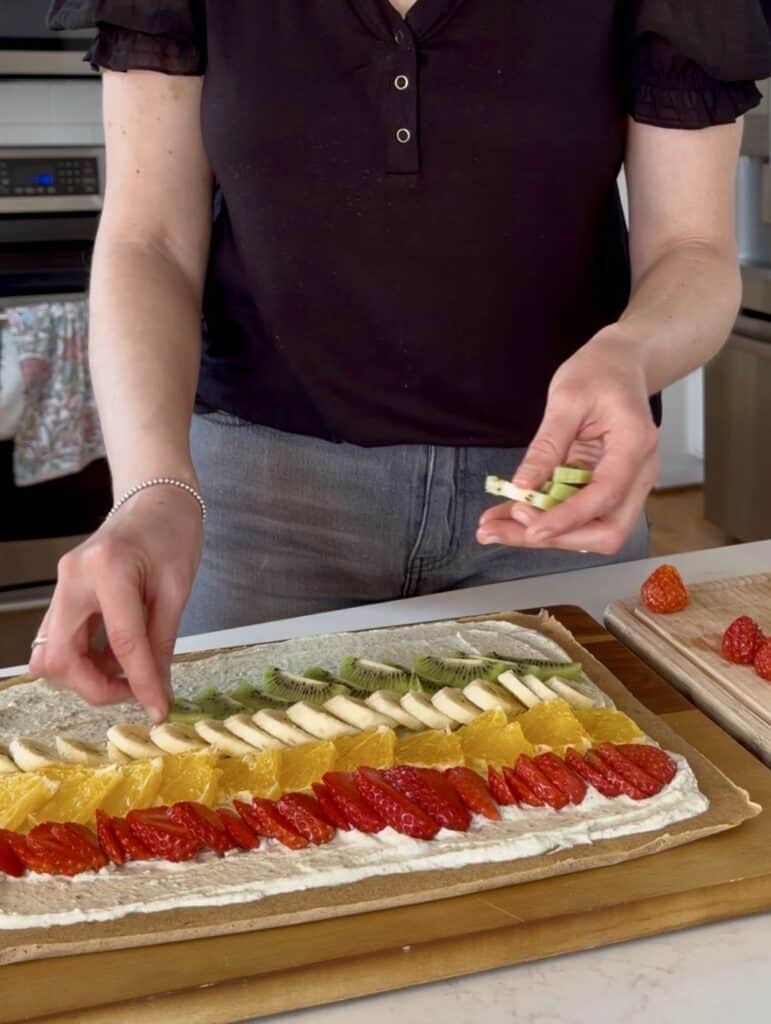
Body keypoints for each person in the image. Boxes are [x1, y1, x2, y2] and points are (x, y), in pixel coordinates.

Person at [32, 0, 771, 723]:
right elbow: (149, 242)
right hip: (258, 504)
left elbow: (693, 250)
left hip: (551, 497)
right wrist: (149, 488)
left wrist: (628, 355)